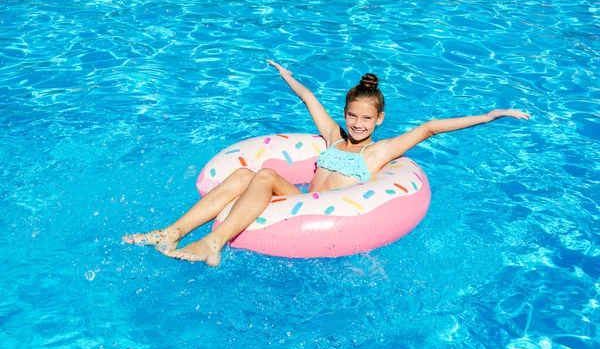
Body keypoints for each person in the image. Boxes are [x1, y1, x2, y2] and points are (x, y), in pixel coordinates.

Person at [123, 60, 530, 266]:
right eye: (352, 116)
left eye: (365, 119)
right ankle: (171, 231)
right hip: (298, 200)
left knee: (261, 174)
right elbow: (309, 99)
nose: (356, 124)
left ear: (379, 120)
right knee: (246, 173)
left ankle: (213, 244)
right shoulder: (334, 137)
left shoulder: (379, 152)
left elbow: (430, 128)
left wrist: (491, 116)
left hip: (326, 215)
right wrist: (286, 74)